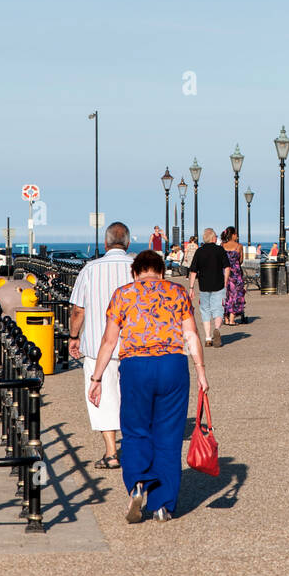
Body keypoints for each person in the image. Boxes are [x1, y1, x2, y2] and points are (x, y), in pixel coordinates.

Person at [88, 250, 208, 523]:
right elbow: (191, 334)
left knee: (135, 430)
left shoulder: (123, 294)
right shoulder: (177, 293)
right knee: (169, 436)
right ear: (162, 272)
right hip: (172, 366)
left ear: (135, 272)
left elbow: (108, 342)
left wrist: (96, 379)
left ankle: (138, 482)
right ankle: (163, 505)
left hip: (136, 367)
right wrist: (201, 371)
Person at [68, 221, 135, 468]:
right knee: (130, 397)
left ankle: (111, 452)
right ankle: (133, 445)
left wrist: (74, 336)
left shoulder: (90, 269)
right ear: (127, 243)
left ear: (106, 243)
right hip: (133, 346)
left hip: (98, 346)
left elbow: (78, 310)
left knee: (102, 397)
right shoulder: (136, 268)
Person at [188, 228, 230, 348]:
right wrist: (225, 281)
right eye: (216, 236)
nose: (217, 238)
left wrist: (191, 288)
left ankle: (207, 337)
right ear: (212, 238)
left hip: (204, 286)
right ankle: (216, 329)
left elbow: (193, 271)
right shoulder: (220, 250)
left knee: (205, 310)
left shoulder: (200, 251)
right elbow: (227, 268)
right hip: (218, 284)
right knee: (218, 309)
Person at [221, 227, 246, 326]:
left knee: (225, 295)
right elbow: (241, 261)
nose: (237, 236)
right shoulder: (239, 246)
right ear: (233, 235)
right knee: (235, 295)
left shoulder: (222, 246)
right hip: (235, 273)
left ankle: (226, 319)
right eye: (236, 234)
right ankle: (232, 319)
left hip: (224, 273)